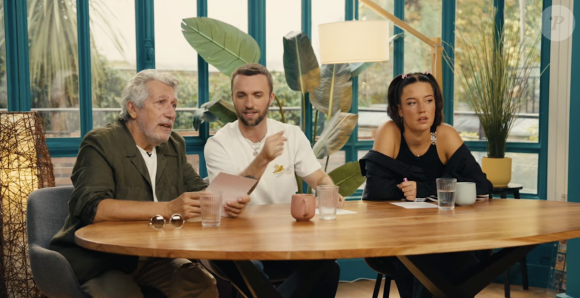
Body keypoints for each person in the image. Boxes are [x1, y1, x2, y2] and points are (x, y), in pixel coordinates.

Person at [50, 69, 248, 298]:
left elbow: (198, 189)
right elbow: (92, 208)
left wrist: (226, 200)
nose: (171, 113)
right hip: (101, 260)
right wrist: (168, 209)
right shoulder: (100, 143)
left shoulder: (173, 144)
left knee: (201, 285)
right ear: (133, 108)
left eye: (173, 105)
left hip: (155, 256)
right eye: (161, 102)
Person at [203, 63, 342, 298]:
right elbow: (227, 198)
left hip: (285, 239)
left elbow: (318, 177)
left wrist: (329, 190)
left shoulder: (292, 134)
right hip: (241, 242)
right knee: (249, 269)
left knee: (327, 266)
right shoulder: (218, 144)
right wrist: (264, 157)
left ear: (270, 98)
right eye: (242, 95)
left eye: (257, 95)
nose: (249, 104)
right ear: (233, 98)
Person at [359, 72, 493, 298]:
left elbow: (481, 186)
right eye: (412, 103)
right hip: (396, 240)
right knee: (430, 256)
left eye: (428, 100)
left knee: (458, 255)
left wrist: (422, 190)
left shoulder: (442, 136)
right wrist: (445, 190)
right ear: (400, 109)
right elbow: (375, 192)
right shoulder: (391, 131)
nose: (423, 109)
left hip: (446, 237)